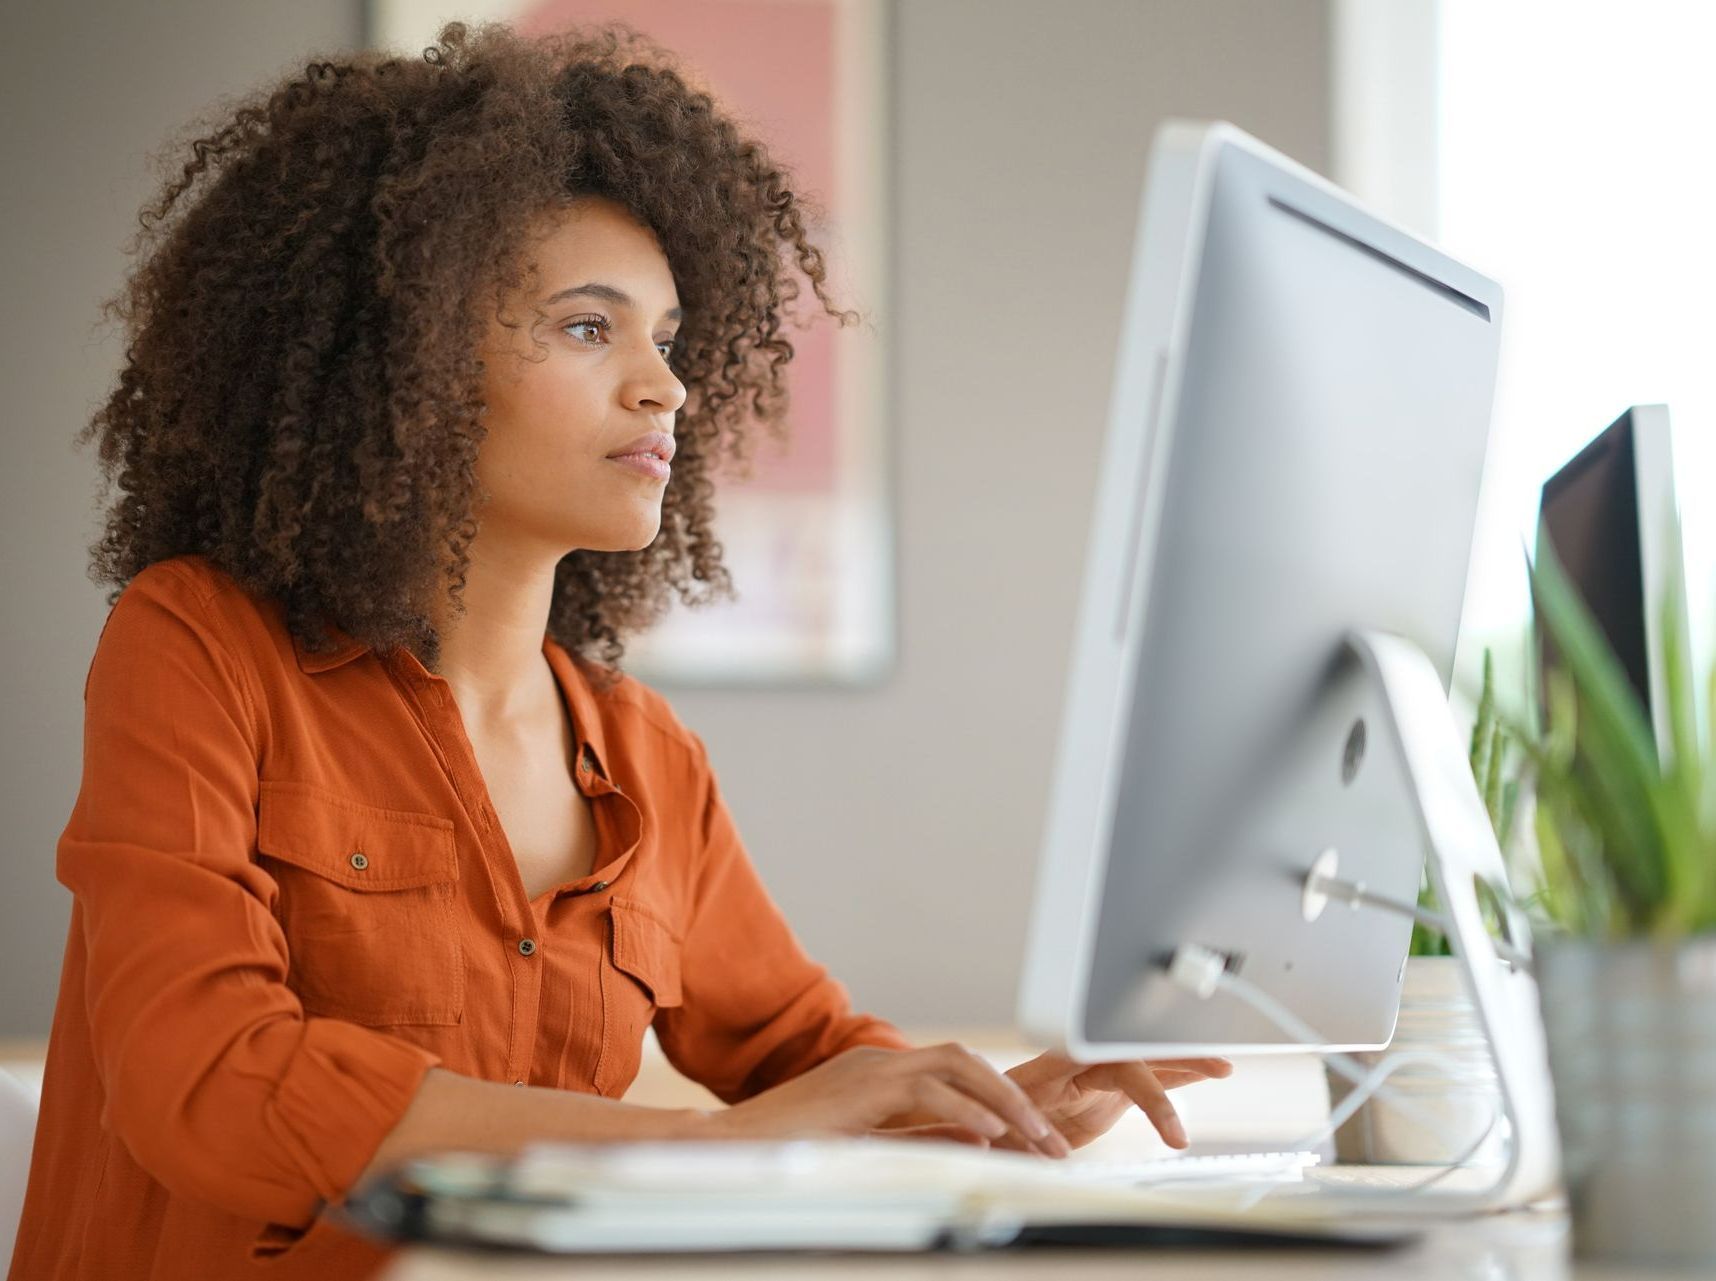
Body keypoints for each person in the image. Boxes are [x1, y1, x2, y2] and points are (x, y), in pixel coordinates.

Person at [8, 20, 1230, 1280]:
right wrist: (723, 1147)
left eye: (670, 338)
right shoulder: (198, 644)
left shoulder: (649, 762)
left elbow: (812, 1064)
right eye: (590, 327)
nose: (666, 387)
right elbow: (205, 1080)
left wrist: (1010, 1115)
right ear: (406, 357)